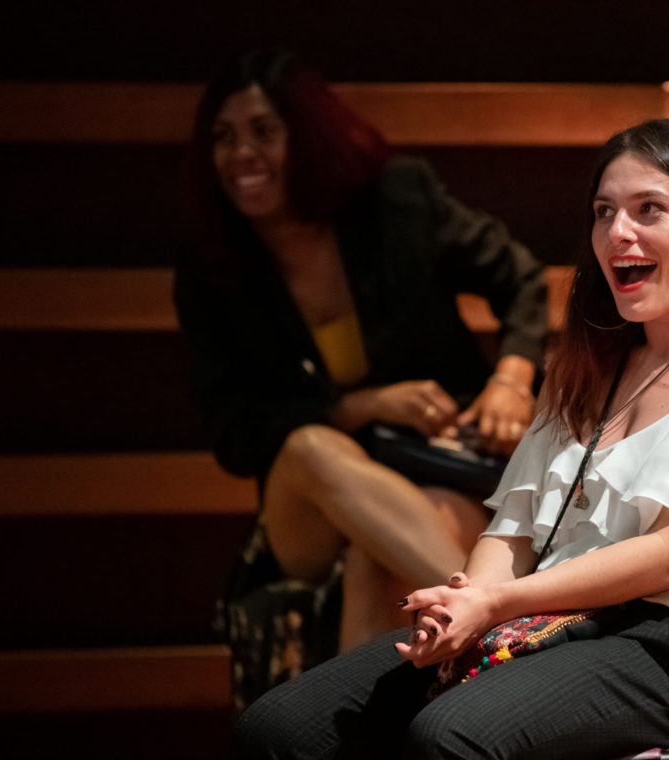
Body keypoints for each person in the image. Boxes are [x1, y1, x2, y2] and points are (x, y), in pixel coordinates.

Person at [226, 118, 669, 760]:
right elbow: (511, 528)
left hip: (659, 650)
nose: (618, 233)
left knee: (450, 736)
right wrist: (465, 606)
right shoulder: (586, 365)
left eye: (649, 209)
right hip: (534, 626)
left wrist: (498, 602)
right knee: (273, 731)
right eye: (604, 212)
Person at [173, 46, 547, 687]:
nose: (242, 154)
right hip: (309, 502)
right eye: (224, 138)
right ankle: (508, 638)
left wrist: (511, 380)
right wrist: (360, 407)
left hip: (435, 467)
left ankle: (360, 756)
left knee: (378, 569)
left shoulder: (397, 200)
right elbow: (234, 433)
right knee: (310, 447)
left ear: (307, 136)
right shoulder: (209, 269)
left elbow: (520, 279)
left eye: (263, 132)